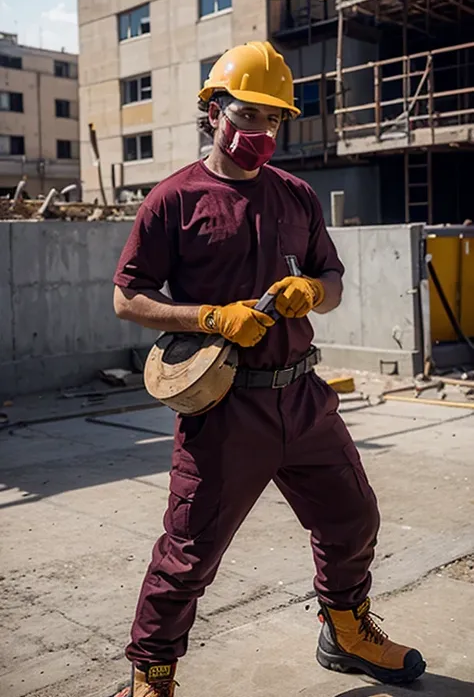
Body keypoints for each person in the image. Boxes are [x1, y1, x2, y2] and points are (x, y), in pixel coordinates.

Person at [113, 41, 426, 697]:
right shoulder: (173, 200)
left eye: (274, 118)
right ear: (212, 110)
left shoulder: (297, 196)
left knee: (353, 517)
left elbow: (333, 276)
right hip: (226, 410)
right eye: (248, 114)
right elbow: (128, 295)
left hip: (303, 396)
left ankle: (346, 628)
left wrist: (311, 292)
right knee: (188, 555)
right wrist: (210, 318)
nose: (261, 131)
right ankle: (153, 674)